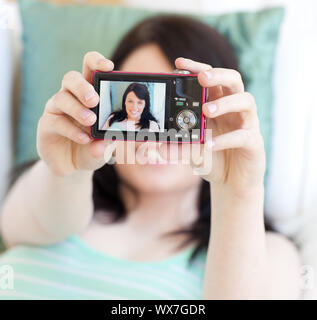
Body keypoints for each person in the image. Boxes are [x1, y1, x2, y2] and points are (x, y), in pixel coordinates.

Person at [0, 15, 300, 299]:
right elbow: (39, 220)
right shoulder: (53, 202)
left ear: (220, 115)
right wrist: (66, 171)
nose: (156, 143)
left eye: (182, 111)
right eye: (130, 99)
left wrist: (237, 193)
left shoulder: (269, 253)